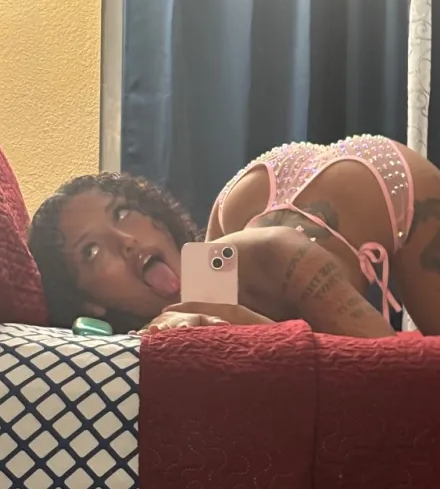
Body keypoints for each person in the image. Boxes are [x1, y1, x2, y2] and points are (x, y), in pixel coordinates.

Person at [28, 135, 440, 338]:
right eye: (92, 250)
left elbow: (393, 378)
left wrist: (249, 325)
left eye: (122, 213)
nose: (126, 240)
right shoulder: (200, 288)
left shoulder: (274, 251)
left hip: (387, 180)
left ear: (157, 219)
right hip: (254, 191)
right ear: (88, 304)